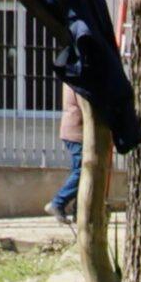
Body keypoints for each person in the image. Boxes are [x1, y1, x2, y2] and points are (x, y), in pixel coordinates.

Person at [49, 94, 83, 226]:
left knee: (81, 172)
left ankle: (79, 212)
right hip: (77, 131)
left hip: (74, 130)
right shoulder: (79, 78)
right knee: (81, 171)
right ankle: (58, 202)